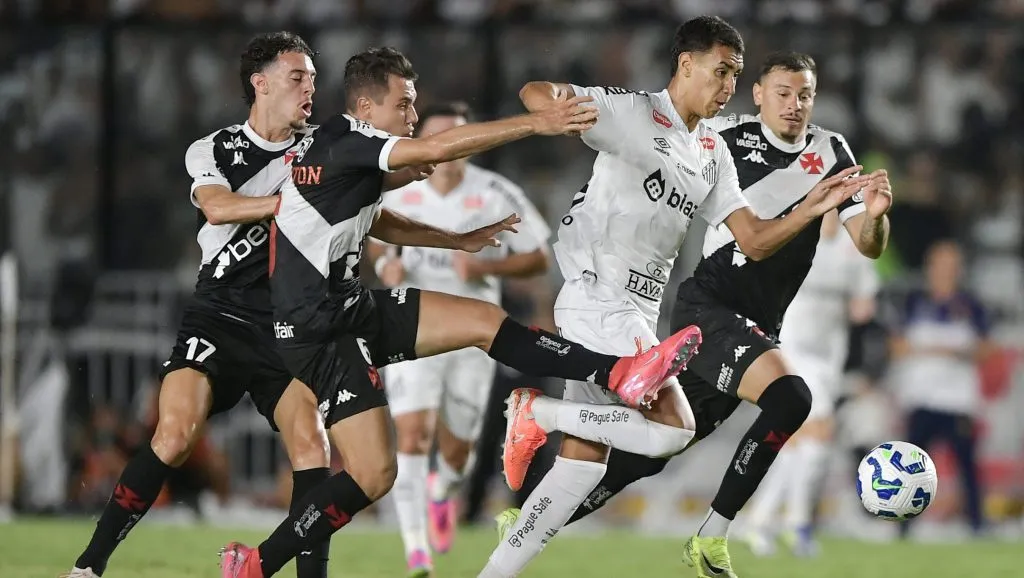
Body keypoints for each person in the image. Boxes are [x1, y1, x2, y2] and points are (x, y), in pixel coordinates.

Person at [218, 46, 703, 578]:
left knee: (483, 321)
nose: (410, 117)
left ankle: (611, 374)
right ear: (364, 106)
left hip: (349, 307)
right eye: (403, 105)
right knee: (376, 475)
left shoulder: (337, 146)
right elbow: (442, 145)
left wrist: (456, 240)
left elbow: (377, 220)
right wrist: (537, 122)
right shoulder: (349, 141)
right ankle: (258, 563)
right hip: (317, 329)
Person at [478, 30, 876, 578]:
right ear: (686, 65)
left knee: (584, 466)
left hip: (638, 310)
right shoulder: (632, 112)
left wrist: (812, 207)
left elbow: (755, 239)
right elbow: (533, 91)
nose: (729, 85)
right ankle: (536, 412)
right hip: (600, 296)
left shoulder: (709, 152)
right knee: (673, 431)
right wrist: (554, 112)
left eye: (735, 73)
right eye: (722, 71)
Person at [66, 32, 335, 578]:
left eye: (312, 77)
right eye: (297, 77)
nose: (311, 87)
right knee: (174, 434)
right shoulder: (213, 149)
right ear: (260, 85)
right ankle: (88, 568)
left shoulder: (325, 151)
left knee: (314, 448)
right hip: (218, 314)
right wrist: (294, 205)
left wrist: (448, 237)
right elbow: (215, 208)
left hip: (285, 323)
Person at [367, 102, 552, 576]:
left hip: (473, 336)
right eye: (439, 138)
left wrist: (487, 266)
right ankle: (417, 553)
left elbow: (537, 258)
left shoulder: (494, 193)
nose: (448, 150)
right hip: (411, 327)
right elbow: (372, 235)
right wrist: (386, 262)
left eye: (458, 138)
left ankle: (442, 494)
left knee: (457, 452)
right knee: (411, 434)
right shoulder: (399, 189)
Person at [741, 208, 880, 557]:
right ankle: (797, 524)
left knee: (797, 443)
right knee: (817, 433)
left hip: (829, 360)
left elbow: (865, 306)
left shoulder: (853, 251)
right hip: (791, 348)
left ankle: (761, 520)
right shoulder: (797, 238)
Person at [891, 240, 993, 538]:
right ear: (930, 267)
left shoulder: (971, 304)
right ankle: (904, 528)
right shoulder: (913, 301)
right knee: (912, 466)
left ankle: (977, 526)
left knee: (967, 465)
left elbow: (988, 348)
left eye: (952, 265)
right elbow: (896, 345)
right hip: (920, 396)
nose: (947, 271)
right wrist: (936, 349)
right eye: (941, 264)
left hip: (958, 399)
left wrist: (957, 353)